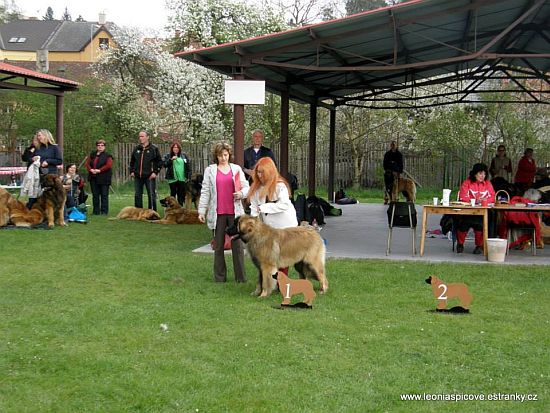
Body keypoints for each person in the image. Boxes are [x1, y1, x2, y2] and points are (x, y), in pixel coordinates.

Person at [198, 142, 249, 283]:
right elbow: (205, 191)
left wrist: (241, 193)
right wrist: (201, 211)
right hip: (218, 214)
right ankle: (220, 278)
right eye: (220, 155)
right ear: (216, 156)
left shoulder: (236, 169)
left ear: (229, 155)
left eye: (225, 155)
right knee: (218, 246)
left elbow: (246, 188)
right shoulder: (210, 170)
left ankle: (241, 278)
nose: (223, 158)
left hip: (235, 213)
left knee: (237, 247)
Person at [247, 157, 298, 278]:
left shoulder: (280, 186)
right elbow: (254, 208)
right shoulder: (255, 188)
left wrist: (264, 207)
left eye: (262, 172)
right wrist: (253, 225)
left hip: (286, 225)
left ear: (269, 171)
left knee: (283, 255)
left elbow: (284, 204)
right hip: (270, 228)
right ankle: (272, 281)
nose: (259, 175)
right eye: (258, 172)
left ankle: (282, 282)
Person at [455, 163, 495, 254]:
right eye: (480, 173)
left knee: (481, 224)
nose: (483, 176)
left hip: (482, 212)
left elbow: (493, 197)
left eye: (484, 174)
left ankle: (479, 246)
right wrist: (476, 200)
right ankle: (460, 244)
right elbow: (462, 197)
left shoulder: (488, 184)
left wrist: (484, 200)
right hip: (467, 212)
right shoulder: (466, 183)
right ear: (474, 173)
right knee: (463, 223)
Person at [26, 129, 62, 208]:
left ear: (46, 136)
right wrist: (33, 159)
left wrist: (48, 161)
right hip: (37, 175)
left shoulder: (54, 147)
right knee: (34, 195)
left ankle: (61, 215)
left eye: (39, 135)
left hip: (50, 176)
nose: (38, 138)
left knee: (52, 196)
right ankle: (31, 212)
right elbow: (28, 159)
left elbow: (59, 160)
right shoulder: (37, 148)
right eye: (38, 136)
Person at [129, 130, 162, 211]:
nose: (140, 138)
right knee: (137, 195)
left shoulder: (154, 149)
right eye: (139, 136)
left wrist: (155, 172)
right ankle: (138, 212)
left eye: (142, 136)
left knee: (151, 194)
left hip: (149, 176)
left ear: (147, 137)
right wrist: (132, 171)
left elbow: (159, 162)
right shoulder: (136, 149)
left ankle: (152, 212)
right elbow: (132, 161)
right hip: (137, 176)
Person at [86, 139, 113, 215]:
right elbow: (87, 163)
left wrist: (99, 170)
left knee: (104, 195)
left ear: (104, 147)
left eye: (102, 145)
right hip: (93, 177)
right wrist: (91, 170)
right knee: (95, 195)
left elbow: (108, 165)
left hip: (104, 178)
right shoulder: (92, 154)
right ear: (96, 146)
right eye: (98, 145)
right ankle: (96, 211)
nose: (100, 147)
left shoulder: (108, 155)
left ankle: (104, 211)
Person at [163, 142, 191, 206]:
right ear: (172, 148)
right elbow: (164, 164)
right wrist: (171, 159)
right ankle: (172, 208)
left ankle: (180, 208)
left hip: (182, 178)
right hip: (172, 178)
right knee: (173, 194)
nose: (176, 148)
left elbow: (188, 166)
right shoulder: (168, 155)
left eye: (177, 147)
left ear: (179, 148)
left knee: (181, 194)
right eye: (174, 147)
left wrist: (188, 176)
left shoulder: (183, 156)